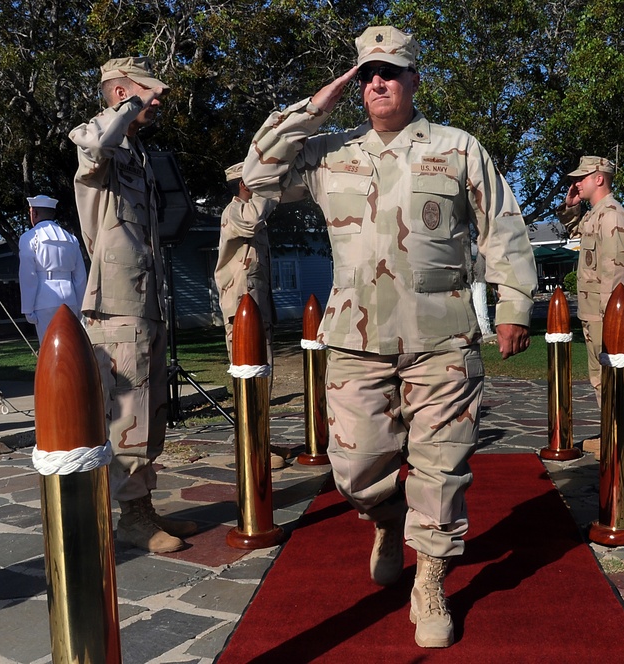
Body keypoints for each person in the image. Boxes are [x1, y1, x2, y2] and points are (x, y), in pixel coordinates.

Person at [242, 25, 537, 648]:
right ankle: (384, 514)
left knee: (442, 459)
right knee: (352, 466)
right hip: (354, 334)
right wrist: (314, 105)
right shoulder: (328, 153)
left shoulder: (458, 149)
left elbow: (503, 228)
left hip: (443, 334)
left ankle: (429, 575)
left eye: (391, 71)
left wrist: (514, 303)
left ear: (413, 81)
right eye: (367, 73)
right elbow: (258, 173)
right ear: (356, 84)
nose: (379, 81)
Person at [69, 56, 196, 554]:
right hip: (117, 304)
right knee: (129, 411)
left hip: (144, 300)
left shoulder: (137, 153)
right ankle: (133, 516)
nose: (158, 101)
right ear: (122, 93)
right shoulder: (98, 143)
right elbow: (98, 140)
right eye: (149, 92)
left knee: (151, 408)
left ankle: (141, 508)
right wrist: (131, 105)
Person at [557, 156, 624, 432]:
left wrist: (611, 321)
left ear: (599, 178)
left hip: (605, 315)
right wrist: (571, 207)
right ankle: (612, 429)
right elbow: (574, 231)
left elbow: (616, 274)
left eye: (582, 178)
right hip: (593, 312)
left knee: (609, 375)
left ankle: (618, 434)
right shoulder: (595, 214)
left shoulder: (612, 215)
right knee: (599, 375)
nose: (576, 183)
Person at [214, 162, 276, 363]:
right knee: (246, 361)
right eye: (258, 183)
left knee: (262, 359)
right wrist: (269, 193)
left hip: (257, 298)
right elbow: (252, 222)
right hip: (241, 299)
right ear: (244, 185)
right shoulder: (235, 211)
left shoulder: (250, 212)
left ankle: (263, 396)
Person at [18, 195, 87, 341]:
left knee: (48, 347)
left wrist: (28, 309)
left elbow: (28, 275)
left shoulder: (29, 237)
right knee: (69, 345)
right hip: (70, 297)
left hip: (44, 299)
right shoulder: (71, 238)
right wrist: (80, 306)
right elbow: (80, 277)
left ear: (34, 213)